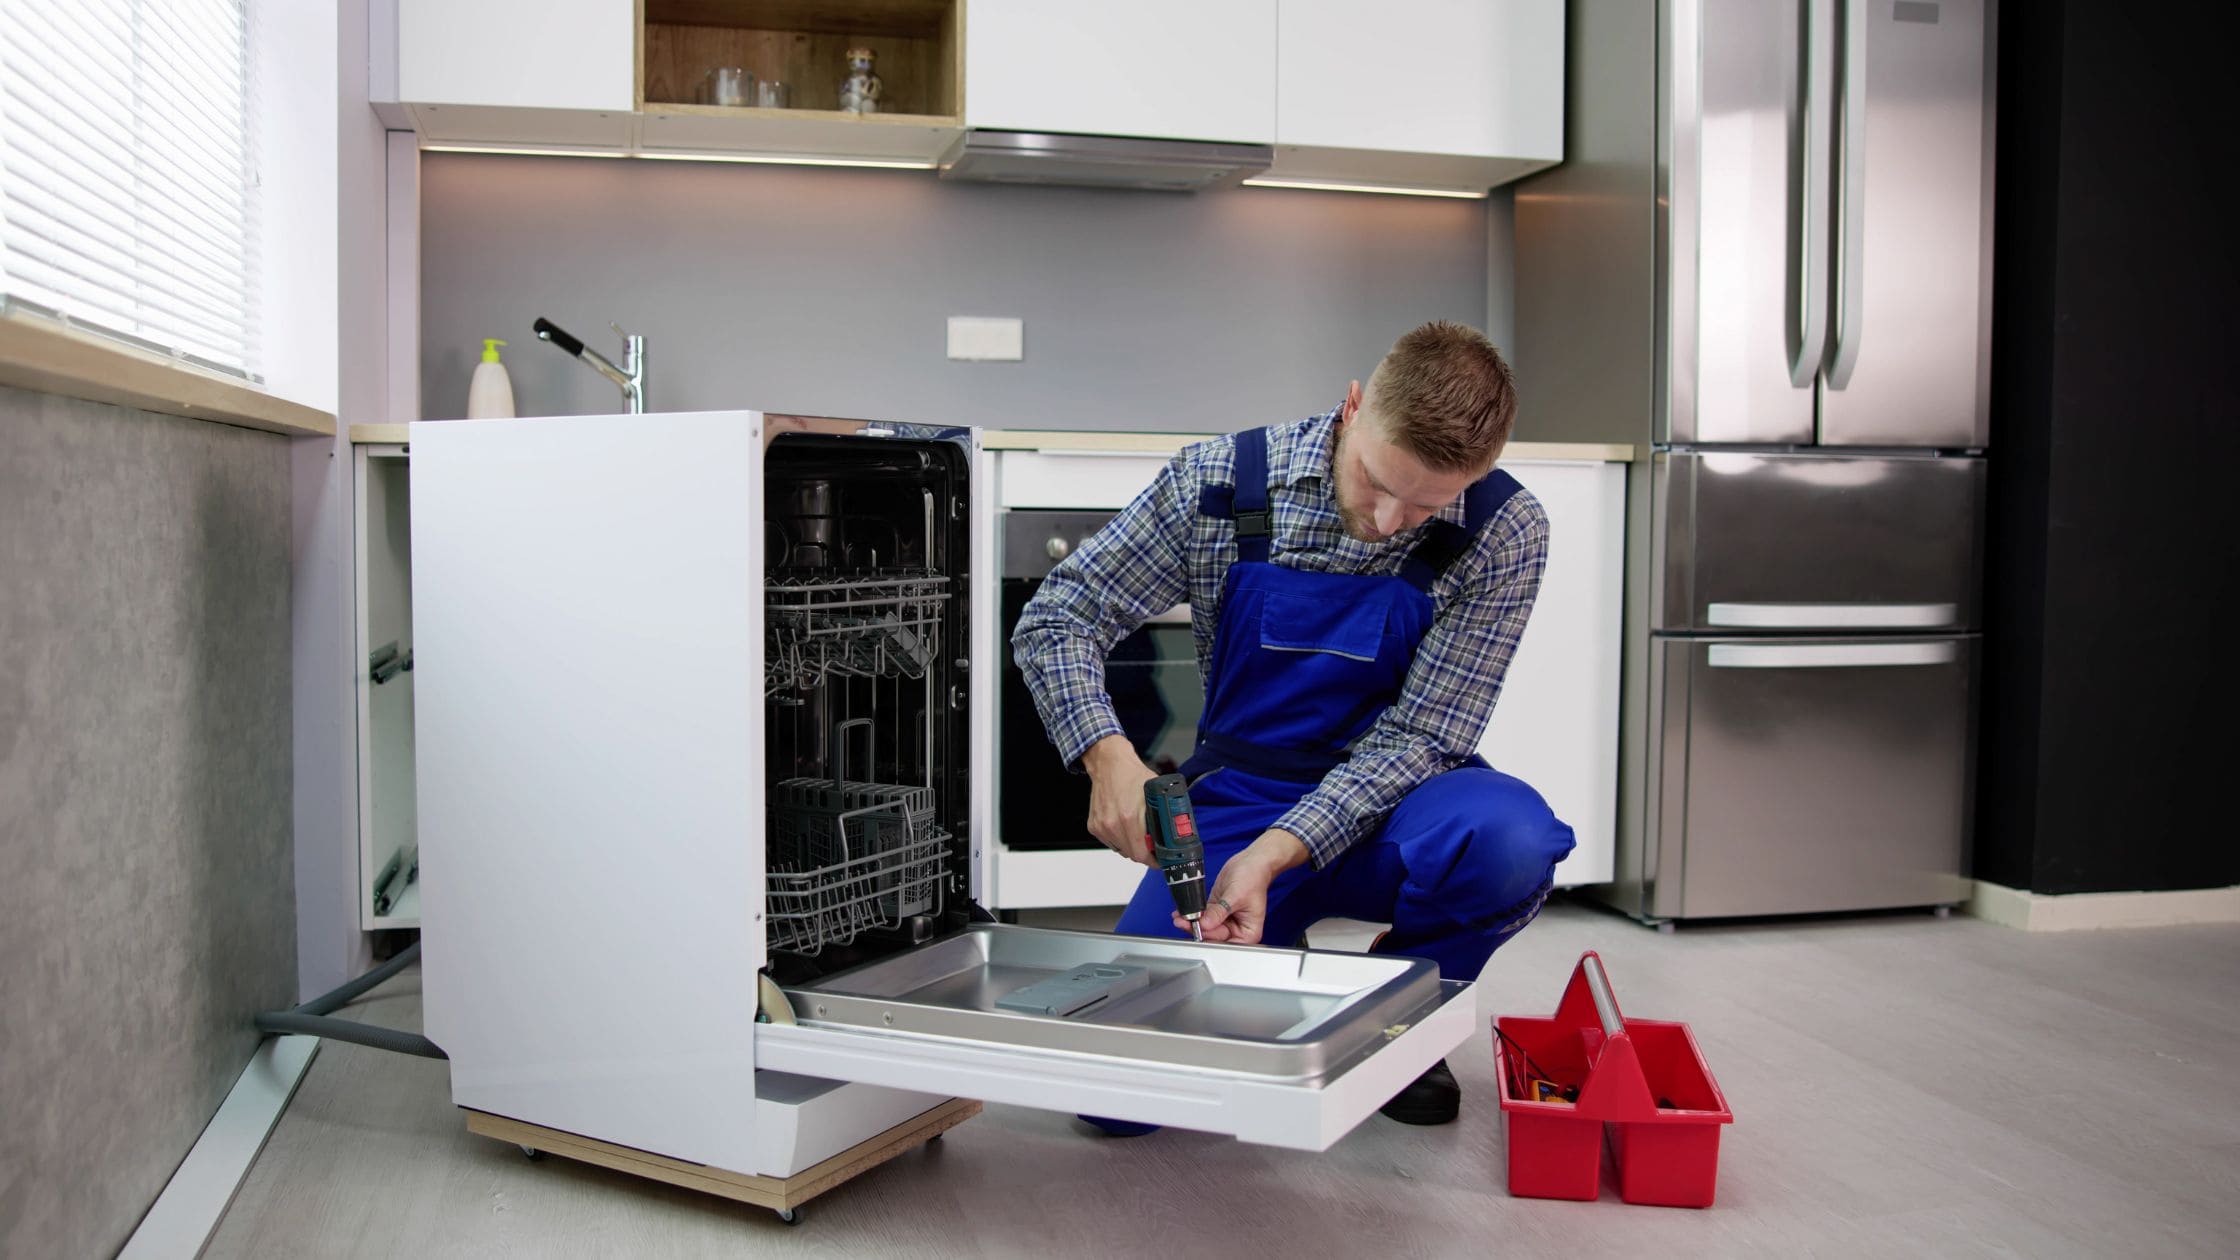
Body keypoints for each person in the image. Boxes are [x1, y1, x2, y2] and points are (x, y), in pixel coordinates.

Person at [1011, 321, 1576, 1128]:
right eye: (1377, 482)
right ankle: (1277, 958)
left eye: (1426, 505)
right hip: (1240, 799)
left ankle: (1398, 1005)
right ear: (1352, 408)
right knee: (1115, 1105)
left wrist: (1279, 852)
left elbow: (1424, 738)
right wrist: (1107, 757)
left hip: (1398, 804)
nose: (1389, 521)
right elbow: (1060, 615)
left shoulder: (1505, 529)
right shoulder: (1217, 481)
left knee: (1509, 842)